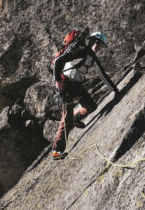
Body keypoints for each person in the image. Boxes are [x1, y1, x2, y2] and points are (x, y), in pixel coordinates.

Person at [51, 31, 119, 160]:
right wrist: (58, 82)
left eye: (101, 45)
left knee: (91, 106)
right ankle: (56, 151)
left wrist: (116, 91)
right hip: (65, 84)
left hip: (76, 85)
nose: (98, 46)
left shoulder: (92, 58)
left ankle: (75, 118)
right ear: (91, 40)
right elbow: (58, 62)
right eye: (97, 43)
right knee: (66, 118)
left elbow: (103, 75)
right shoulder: (80, 51)